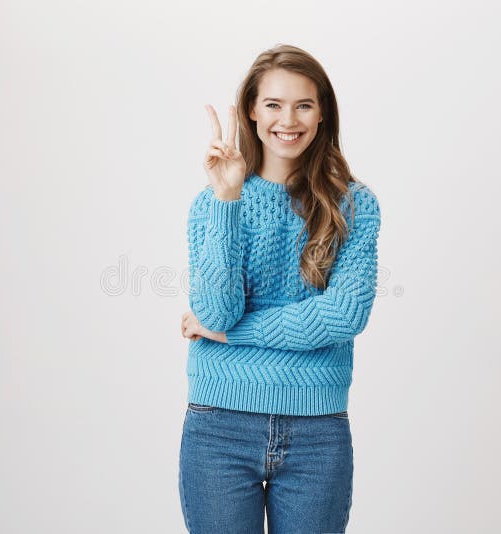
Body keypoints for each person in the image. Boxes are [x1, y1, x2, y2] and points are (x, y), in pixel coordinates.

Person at [178, 44, 381, 534]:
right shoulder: (212, 203)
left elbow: (344, 315)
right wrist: (227, 199)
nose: (288, 119)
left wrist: (234, 336)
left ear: (322, 113)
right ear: (251, 109)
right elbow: (215, 311)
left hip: (317, 432)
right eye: (273, 104)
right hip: (219, 427)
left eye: (304, 104)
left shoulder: (354, 205)